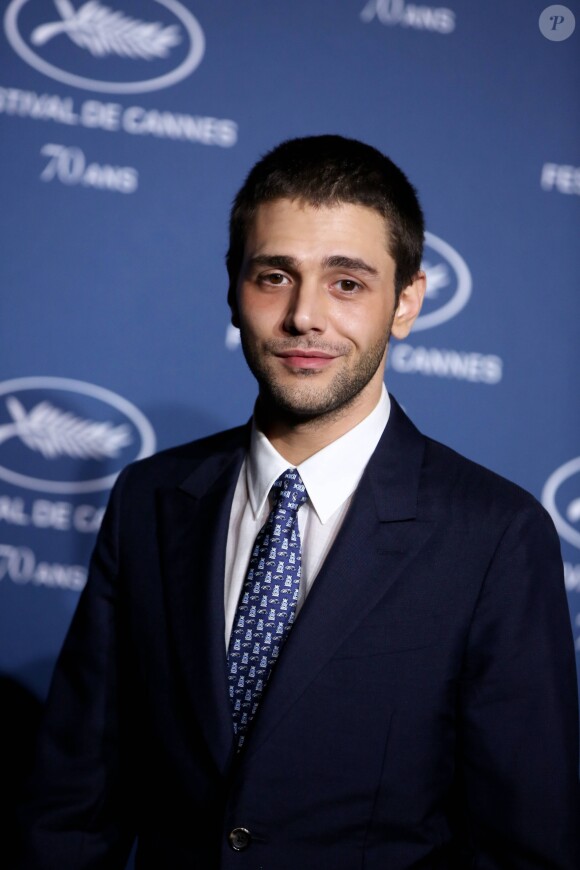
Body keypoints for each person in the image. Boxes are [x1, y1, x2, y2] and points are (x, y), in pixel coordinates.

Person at [19, 135, 580, 869]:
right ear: (233, 288)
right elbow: (74, 806)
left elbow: (524, 849)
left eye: (347, 283)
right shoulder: (150, 499)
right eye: (275, 276)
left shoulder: (496, 537)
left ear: (406, 301)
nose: (304, 317)